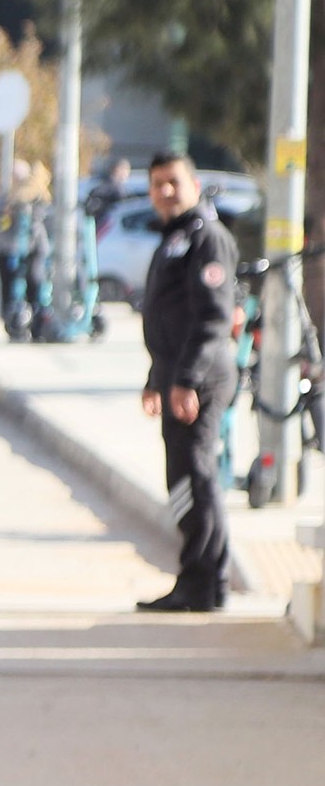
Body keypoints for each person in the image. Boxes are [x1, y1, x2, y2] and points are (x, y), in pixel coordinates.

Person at [136, 151, 242, 612]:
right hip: (177, 377)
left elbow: (212, 318)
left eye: (173, 182)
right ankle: (202, 580)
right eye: (157, 183)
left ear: (194, 185)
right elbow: (167, 319)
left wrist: (184, 381)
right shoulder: (174, 238)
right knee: (188, 478)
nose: (165, 192)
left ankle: (200, 581)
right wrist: (155, 378)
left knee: (194, 478)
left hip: (199, 379)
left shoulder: (207, 238)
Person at [2, 164, 55, 343]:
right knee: (18, 282)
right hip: (21, 248)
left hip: (37, 249)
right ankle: (20, 321)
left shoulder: (39, 197)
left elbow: (40, 225)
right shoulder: (16, 197)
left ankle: (38, 321)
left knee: (36, 281)